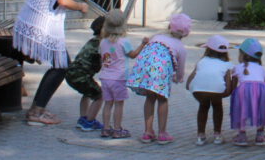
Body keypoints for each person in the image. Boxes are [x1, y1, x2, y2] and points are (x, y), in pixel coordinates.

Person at [13, 0, 90, 125]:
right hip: (42, 24)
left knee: (61, 65)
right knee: (61, 65)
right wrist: (80, 6)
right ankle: (36, 111)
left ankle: (37, 109)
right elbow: (61, 1)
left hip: (35, 21)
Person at [127, 12, 191, 144]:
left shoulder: (156, 37)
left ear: (169, 27)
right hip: (160, 72)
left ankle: (147, 132)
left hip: (144, 68)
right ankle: (162, 133)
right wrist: (179, 78)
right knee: (162, 99)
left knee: (150, 98)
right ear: (186, 33)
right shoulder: (180, 47)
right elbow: (181, 67)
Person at [99, 9, 147, 139]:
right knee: (119, 104)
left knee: (107, 103)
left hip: (105, 77)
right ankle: (117, 129)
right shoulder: (123, 41)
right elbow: (133, 55)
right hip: (119, 78)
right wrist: (142, 44)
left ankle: (105, 128)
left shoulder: (103, 41)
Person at [186, 34, 235, 145]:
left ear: (208, 49)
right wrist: (227, 92)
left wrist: (189, 86)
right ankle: (217, 135)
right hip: (217, 90)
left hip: (198, 90)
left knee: (203, 106)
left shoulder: (202, 61)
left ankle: (200, 135)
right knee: (217, 106)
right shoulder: (227, 64)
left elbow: (192, 76)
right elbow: (228, 82)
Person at [64, 15, 106, 132]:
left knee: (87, 93)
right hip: (81, 76)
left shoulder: (93, 41)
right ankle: (89, 121)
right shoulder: (101, 44)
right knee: (100, 95)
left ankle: (83, 118)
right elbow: (104, 62)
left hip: (71, 73)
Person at [229, 38, 265, 146]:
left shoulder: (238, 67)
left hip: (244, 90)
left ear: (242, 55)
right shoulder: (262, 68)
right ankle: (260, 135)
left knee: (241, 110)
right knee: (261, 110)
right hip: (262, 90)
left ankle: (242, 136)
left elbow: (233, 86)